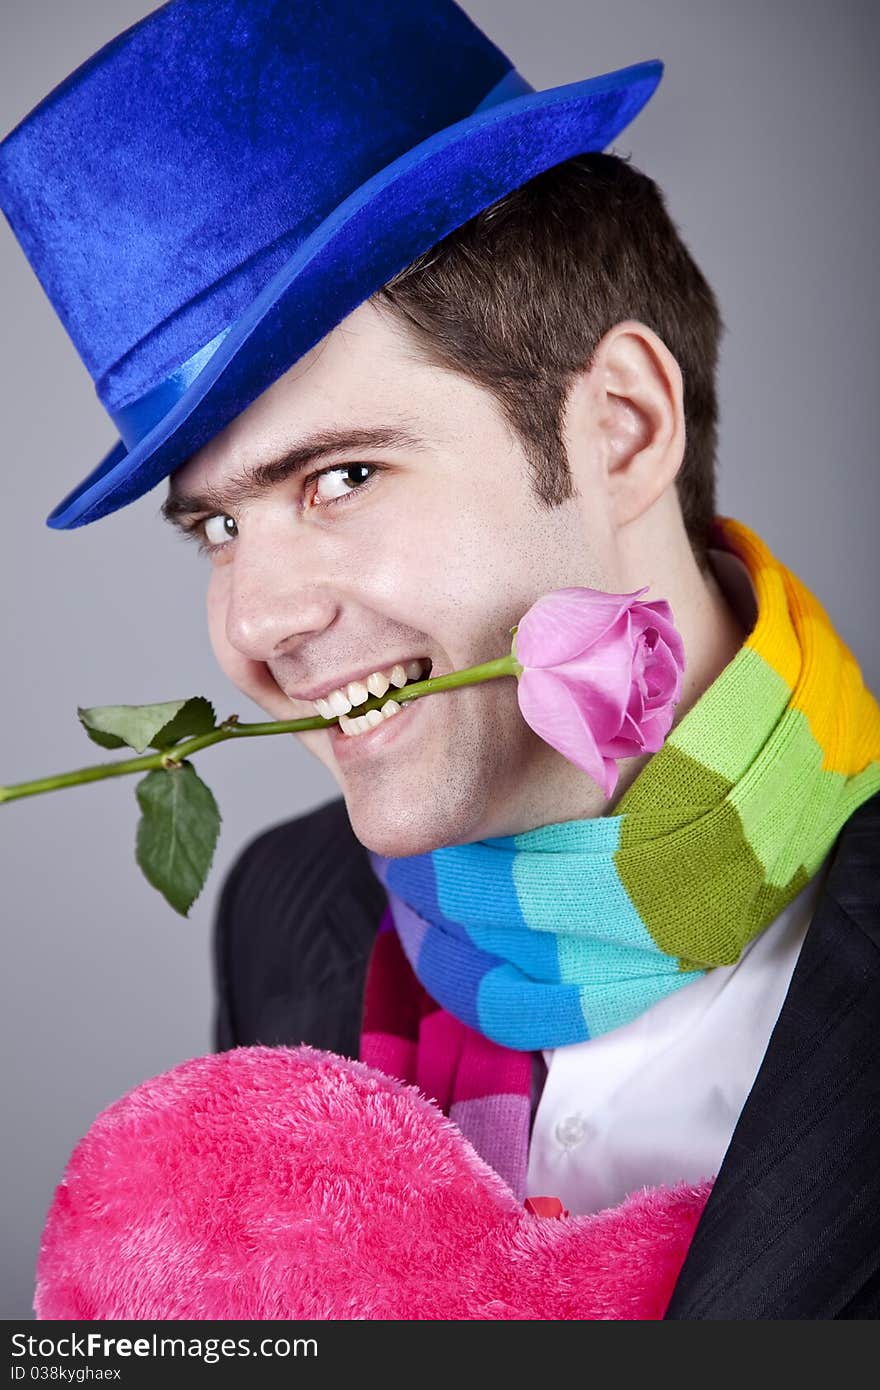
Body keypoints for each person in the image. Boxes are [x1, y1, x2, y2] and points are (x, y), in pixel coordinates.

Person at [2, 0, 877, 1319]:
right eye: (220, 526)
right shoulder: (284, 911)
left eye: (342, 475)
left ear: (624, 430)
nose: (257, 627)